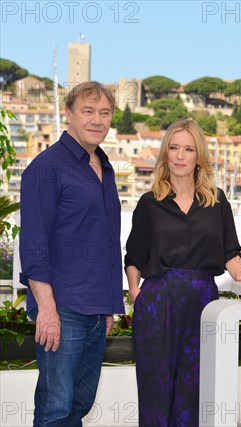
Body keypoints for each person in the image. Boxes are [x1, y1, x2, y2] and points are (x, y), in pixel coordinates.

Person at [124, 118, 241, 426]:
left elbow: (229, 251)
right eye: (174, 148)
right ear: (165, 154)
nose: (180, 156)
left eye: (188, 149)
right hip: (158, 300)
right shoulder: (149, 204)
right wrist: (136, 294)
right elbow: (134, 255)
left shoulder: (217, 201)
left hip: (203, 301)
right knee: (155, 388)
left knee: (196, 387)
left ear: (199, 156)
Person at [19, 81, 125, 425]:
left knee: (80, 405)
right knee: (56, 409)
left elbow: (107, 241)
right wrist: (47, 310)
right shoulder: (46, 167)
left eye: (104, 113)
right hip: (62, 308)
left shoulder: (104, 168)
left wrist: (109, 306)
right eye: (88, 111)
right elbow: (34, 243)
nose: (97, 120)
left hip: (96, 308)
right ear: (69, 114)